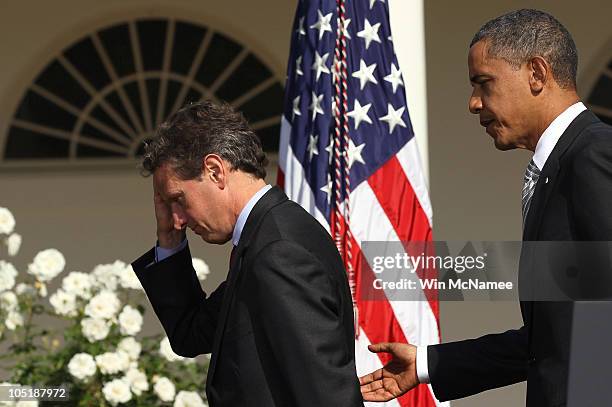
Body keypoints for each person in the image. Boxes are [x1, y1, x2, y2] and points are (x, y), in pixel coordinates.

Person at [359, 9, 612, 407]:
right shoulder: (557, 170)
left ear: (537, 74)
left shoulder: (593, 154)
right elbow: (549, 342)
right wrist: (427, 363)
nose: (474, 103)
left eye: (483, 83)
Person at [131, 101, 363, 406]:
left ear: (215, 171)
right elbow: (190, 333)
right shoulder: (264, 239)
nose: (179, 219)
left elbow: (325, 395)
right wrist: (169, 239)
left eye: (178, 199)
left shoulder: (278, 252)